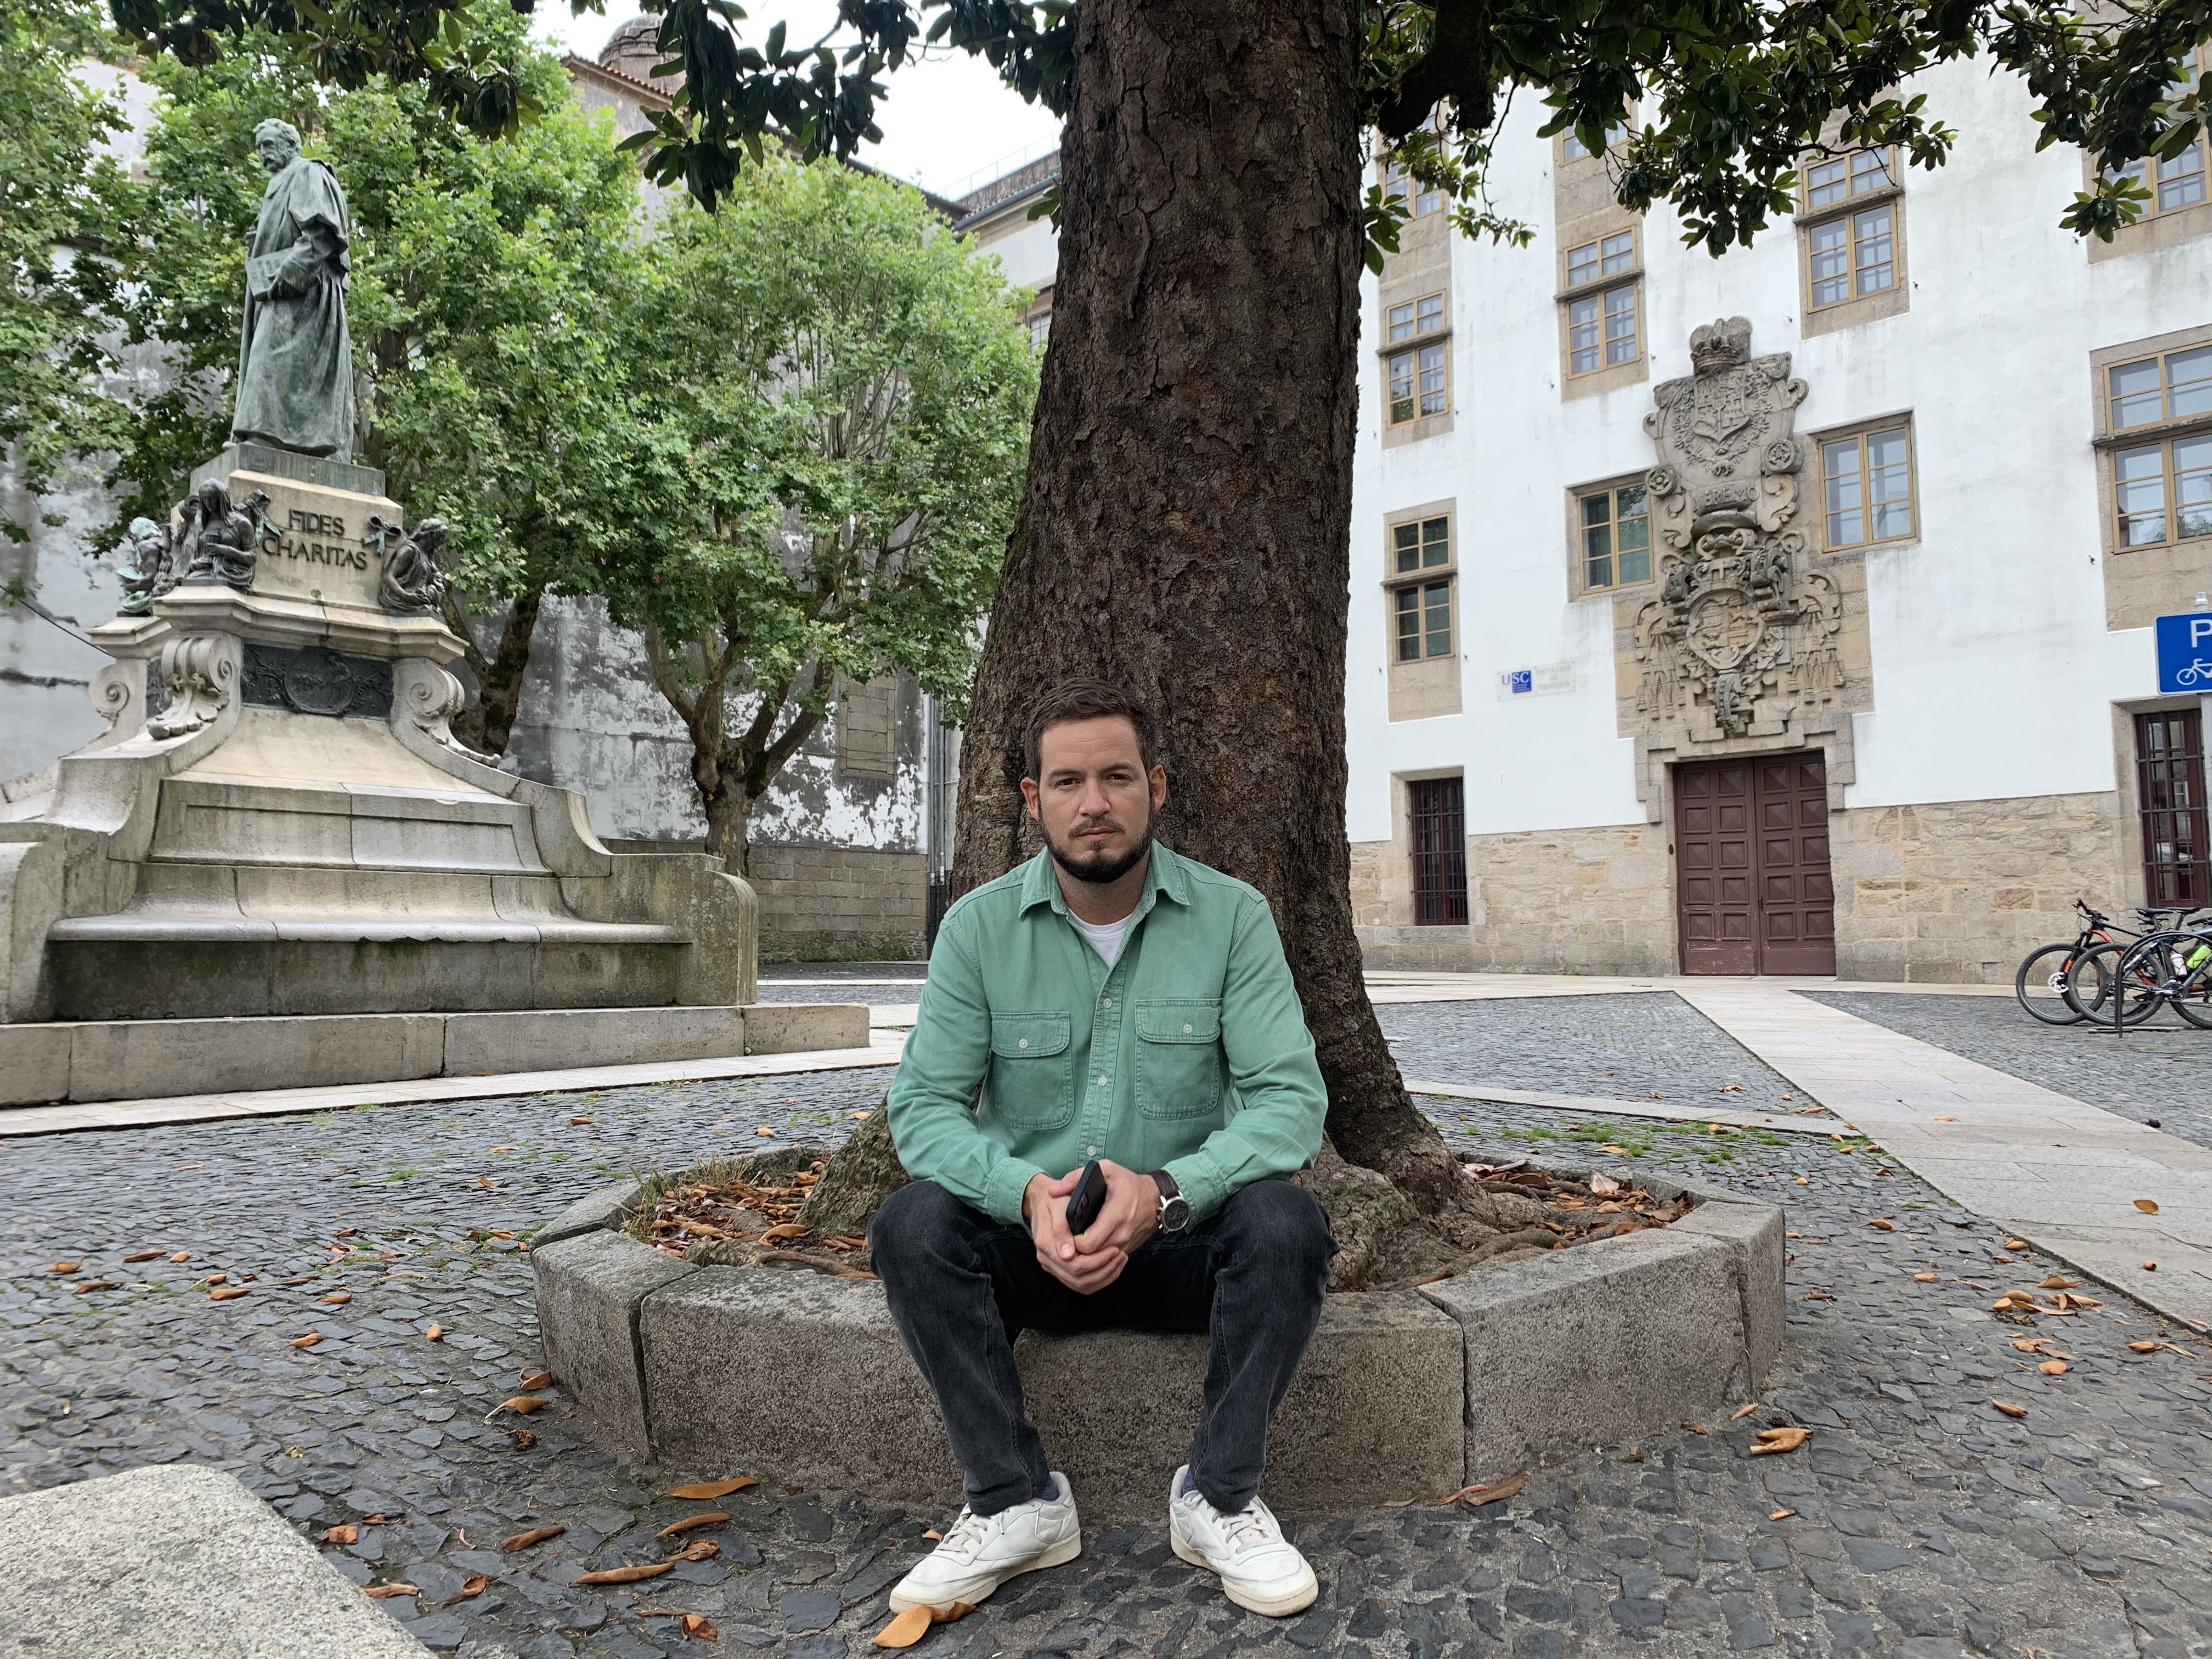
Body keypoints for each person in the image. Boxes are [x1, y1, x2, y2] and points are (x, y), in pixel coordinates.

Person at [872, 679, 1334, 1620]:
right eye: (1068, 781)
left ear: (1155, 786)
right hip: (1033, 1247)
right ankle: (1014, 1501)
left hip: (1181, 1243)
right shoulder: (978, 929)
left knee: (1287, 1222)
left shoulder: (1232, 917)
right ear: (1031, 797)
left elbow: (1291, 1102)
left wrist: (1166, 1191)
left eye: (1117, 776)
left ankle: (1219, 1497)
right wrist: (1023, 1196)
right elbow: (921, 1106)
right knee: (910, 1225)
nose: (1095, 803)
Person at [233, 118, 355, 459]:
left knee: (272, 359)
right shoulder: (279, 182)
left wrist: (288, 273)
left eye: (269, 145)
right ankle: (265, 435)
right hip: (278, 291)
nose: (263, 153)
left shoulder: (309, 173)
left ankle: (268, 437)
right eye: (260, 147)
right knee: (268, 359)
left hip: (304, 295)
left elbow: (322, 236)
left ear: (291, 145)